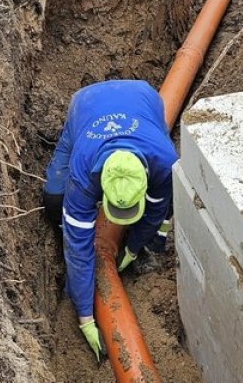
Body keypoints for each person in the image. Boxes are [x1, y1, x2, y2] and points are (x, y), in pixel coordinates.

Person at [42, 79, 177, 361]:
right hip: (86, 106)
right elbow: (78, 250)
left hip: (143, 98)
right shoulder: (83, 170)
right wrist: (84, 315)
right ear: (100, 182)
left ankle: (150, 242)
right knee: (55, 198)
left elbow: (156, 208)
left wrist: (133, 247)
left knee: (169, 198)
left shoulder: (164, 159)